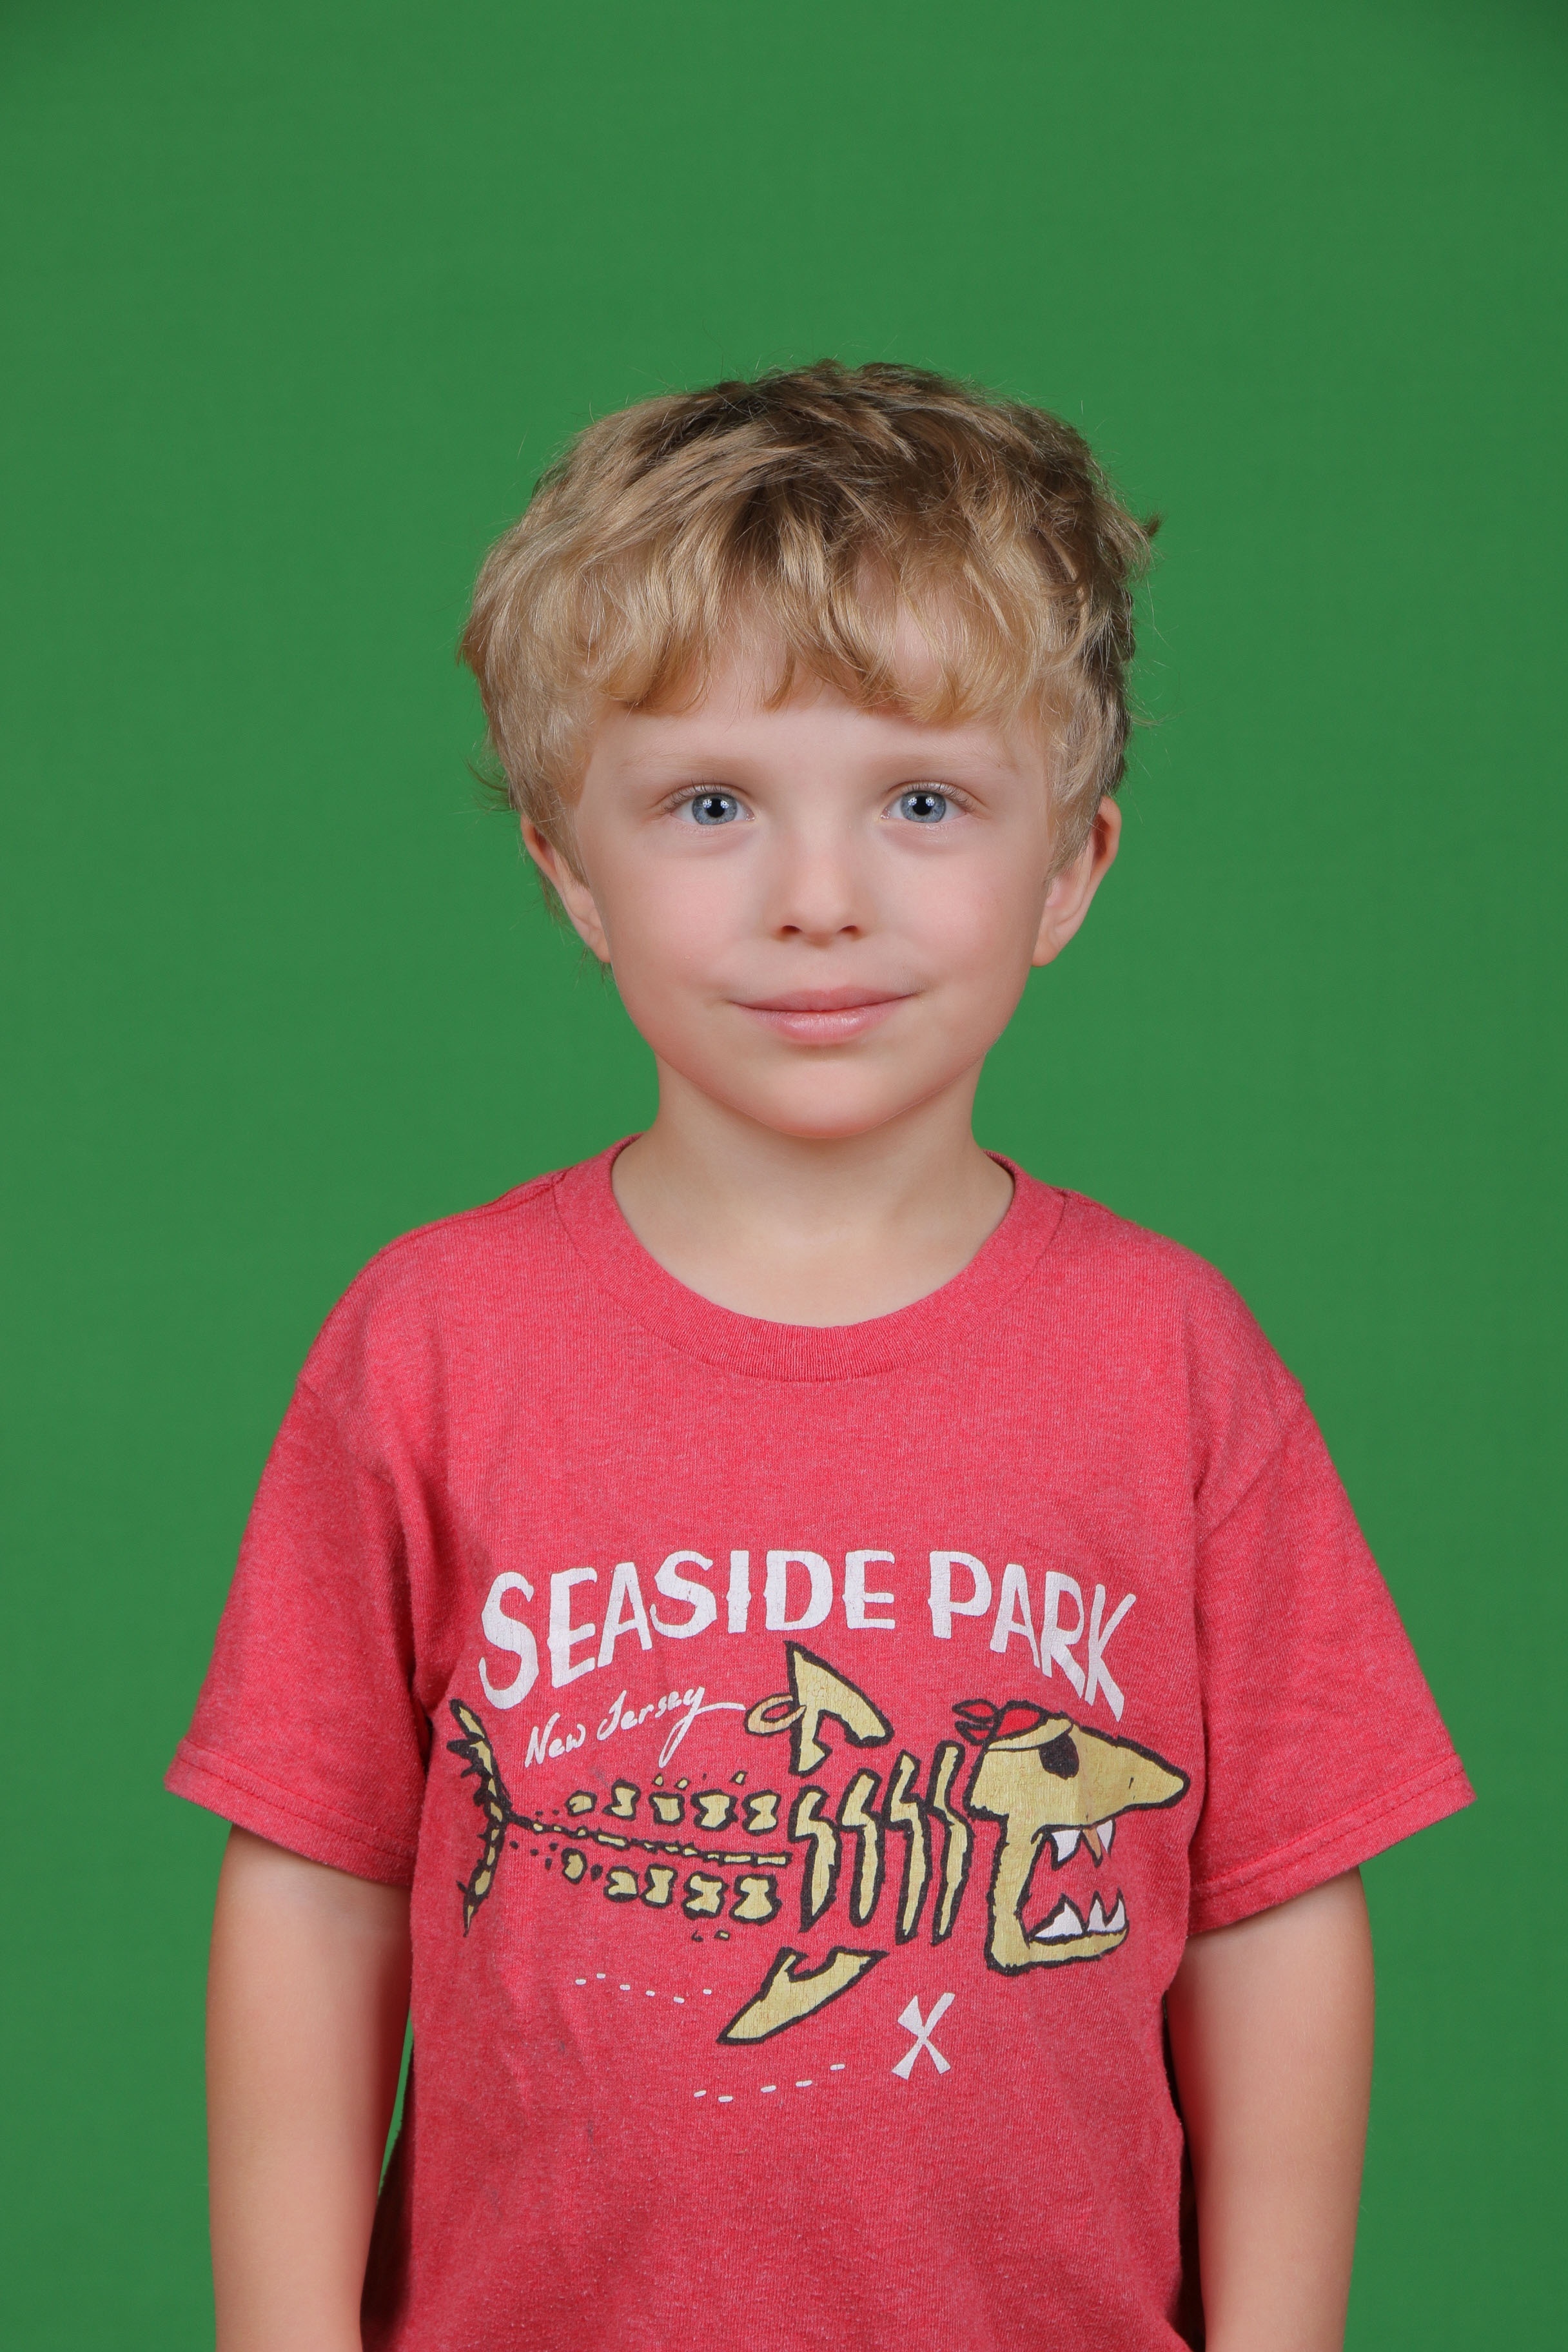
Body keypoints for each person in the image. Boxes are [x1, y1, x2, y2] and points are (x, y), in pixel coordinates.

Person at [170, 361, 1472, 2352]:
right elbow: (317, 1888)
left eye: (924, 803)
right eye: (710, 806)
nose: (817, 901)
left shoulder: (1176, 1358)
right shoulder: (429, 1340)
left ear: (1073, 868)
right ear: (570, 869)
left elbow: (1274, 1908)